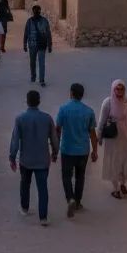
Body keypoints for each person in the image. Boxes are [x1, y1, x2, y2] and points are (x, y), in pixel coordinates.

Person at [8, 90, 58, 226]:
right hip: (42, 159)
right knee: (43, 188)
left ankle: (25, 207)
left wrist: (12, 157)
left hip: (26, 160)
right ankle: (43, 217)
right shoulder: (47, 118)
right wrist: (55, 153)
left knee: (25, 183)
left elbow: (15, 141)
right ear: (39, 101)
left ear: (27, 101)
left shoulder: (20, 119)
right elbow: (54, 138)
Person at [55, 83, 99, 217]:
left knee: (66, 176)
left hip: (67, 149)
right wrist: (95, 150)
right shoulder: (89, 111)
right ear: (82, 95)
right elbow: (92, 133)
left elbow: (58, 129)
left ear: (71, 93)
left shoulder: (63, 109)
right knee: (80, 176)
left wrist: (55, 149)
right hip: (82, 150)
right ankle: (78, 202)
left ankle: (70, 198)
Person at [98, 79, 127, 199]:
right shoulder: (108, 103)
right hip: (113, 139)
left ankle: (123, 183)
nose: (119, 91)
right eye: (117, 89)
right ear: (113, 89)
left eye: (122, 89)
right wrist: (99, 136)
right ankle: (116, 188)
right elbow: (102, 121)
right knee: (114, 162)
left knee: (126, 161)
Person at [23, 4, 53, 87]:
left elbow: (48, 33)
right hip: (32, 45)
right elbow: (26, 33)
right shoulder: (29, 21)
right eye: (35, 11)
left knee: (41, 63)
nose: (36, 12)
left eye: (38, 11)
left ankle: (41, 79)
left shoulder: (44, 21)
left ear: (40, 11)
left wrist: (50, 44)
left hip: (41, 44)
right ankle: (33, 76)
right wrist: (24, 44)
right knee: (32, 62)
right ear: (33, 11)